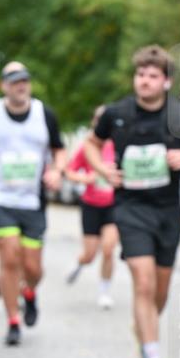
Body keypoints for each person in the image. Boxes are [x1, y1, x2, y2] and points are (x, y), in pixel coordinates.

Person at [85, 45, 180, 358]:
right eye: (140, 74)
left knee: (160, 290)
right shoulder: (116, 113)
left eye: (152, 76)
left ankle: (143, 330)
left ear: (166, 81)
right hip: (130, 209)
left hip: (167, 212)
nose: (144, 81)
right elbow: (90, 145)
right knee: (142, 282)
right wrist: (103, 170)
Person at [0, 61, 66, 346]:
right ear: (3, 86)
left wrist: (57, 171)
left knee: (33, 269)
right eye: (14, 81)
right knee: (9, 258)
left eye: (24, 80)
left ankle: (29, 292)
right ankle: (13, 321)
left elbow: (59, 150)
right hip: (0, 200)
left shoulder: (45, 114)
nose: (21, 86)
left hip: (33, 202)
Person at [64, 105, 118, 310]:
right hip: (91, 205)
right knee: (90, 254)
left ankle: (104, 292)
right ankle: (80, 262)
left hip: (114, 205)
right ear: (94, 122)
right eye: (99, 119)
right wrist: (86, 178)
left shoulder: (119, 144)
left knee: (108, 249)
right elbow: (69, 172)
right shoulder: (87, 146)